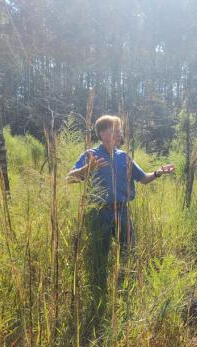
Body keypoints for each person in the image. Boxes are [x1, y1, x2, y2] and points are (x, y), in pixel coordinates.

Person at [67, 115, 174, 335]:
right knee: (99, 258)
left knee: (129, 253)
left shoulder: (124, 157)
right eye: (115, 129)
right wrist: (86, 169)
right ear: (103, 133)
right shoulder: (90, 155)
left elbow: (142, 178)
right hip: (99, 214)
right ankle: (99, 300)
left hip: (122, 212)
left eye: (120, 129)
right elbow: (70, 178)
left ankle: (125, 295)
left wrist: (159, 172)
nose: (119, 133)